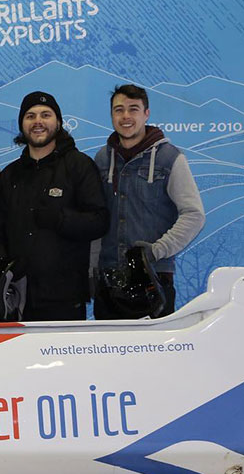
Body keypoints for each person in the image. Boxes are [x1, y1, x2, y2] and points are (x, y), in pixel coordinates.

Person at [0, 91, 109, 321]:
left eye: (46, 115)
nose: (38, 122)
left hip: (64, 297)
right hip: (16, 298)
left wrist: (61, 219)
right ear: (22, 125)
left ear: (59, 122)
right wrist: (2, 268)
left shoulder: (79, 166)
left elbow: (100, 221)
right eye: (30, 116)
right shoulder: (10, 175)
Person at [93, 84, 205, 319]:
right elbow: (96, 218)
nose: (126, 116)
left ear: (146, 114)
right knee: (107, 354)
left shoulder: (169, 157)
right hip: (109, 281)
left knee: (154, 355)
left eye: (133, 109)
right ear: (111, 115)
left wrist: (156, 251)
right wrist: (91, 270)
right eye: (118, 110)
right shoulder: (103, 159)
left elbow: (194, 214)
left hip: (154, 279)